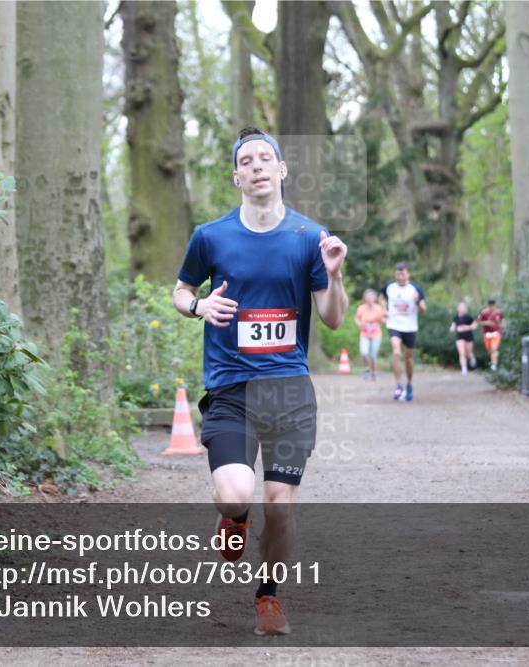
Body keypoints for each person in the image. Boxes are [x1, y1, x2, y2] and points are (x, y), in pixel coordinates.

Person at [172, 127, 348, 636]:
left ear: (282, 170)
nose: (256, 166)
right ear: (236, 176)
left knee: (281, 505)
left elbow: (333, 320)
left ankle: (268, 597)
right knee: (234, 492)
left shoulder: (310, 237)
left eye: (265, 158)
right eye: (246, 161)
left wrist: (334, 275)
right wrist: (201, 306)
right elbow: (181, 291)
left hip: (290, 391)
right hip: (231, 389)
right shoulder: (212, 236)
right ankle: (234, 518)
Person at [381, 262, 426, 401]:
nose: (400, 276)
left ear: (408, 274)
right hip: (394, 324)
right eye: (398, 274)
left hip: (410, 327)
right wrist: (384, 309)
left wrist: (417, 300)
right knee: (396, 352)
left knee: (408, 358)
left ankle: (409, 384)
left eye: (403, 274)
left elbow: (424, 310)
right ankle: (398, 386)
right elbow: (381, 296)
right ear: (395, 274)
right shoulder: (389, 286)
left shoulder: (415, 288)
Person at [354, 288, 386, 380]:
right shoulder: (361, 308)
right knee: (364, 352)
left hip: (376, 333)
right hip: (364, 333)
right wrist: (360, 324)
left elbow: (383, 319)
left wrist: (386, 318)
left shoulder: (378, 308)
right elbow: (356, 318)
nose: (370, 298)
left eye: (371, 296)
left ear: (374, 298)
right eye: (368, 297)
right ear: (365, 298)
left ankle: (374, 372)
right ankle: (368, 368)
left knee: (373, 355)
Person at [450, 302, 477, 375]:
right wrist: (452, 329)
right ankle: (464, 368)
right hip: (459, 337)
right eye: (460, 307)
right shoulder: (456, 317)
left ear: (465, 309)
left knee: (468, 353)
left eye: (463, 307)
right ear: (458, 308)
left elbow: (474, 325)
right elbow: (453, 325)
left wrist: (467, 327)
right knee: (462, 353)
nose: (461, 309)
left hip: (468, 337)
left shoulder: (469, 317)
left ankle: (471, 358)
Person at [477, 298, 505, 370]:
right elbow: (479, 322)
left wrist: (501, 325)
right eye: (490, 306)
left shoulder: (499, 312)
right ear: (488, 305)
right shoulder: (483, 313)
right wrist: (487, 323)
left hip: (496, 333)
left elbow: (503, 322)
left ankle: (494, 365)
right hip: (487, 334)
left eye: (493, 306)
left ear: (495, 305)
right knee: (490, 350)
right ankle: (495, 355)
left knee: (494, 348)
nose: (491, 307)